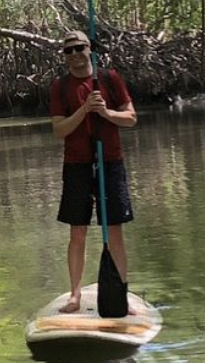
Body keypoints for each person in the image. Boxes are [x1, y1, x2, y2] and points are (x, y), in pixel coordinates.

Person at [49, 29, 138, 315]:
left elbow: (131, 118)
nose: (74, 54)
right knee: (78, 232)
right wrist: (85, 110)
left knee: (114, 232)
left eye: (79, 48)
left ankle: (120, 292)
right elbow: (59, 130)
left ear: (90, 49)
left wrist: (106, 113)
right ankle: (74, 296)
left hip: (109, 161)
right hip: (77, 164)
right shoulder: (60, 87)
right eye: (68, 51)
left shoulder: (109, 79)